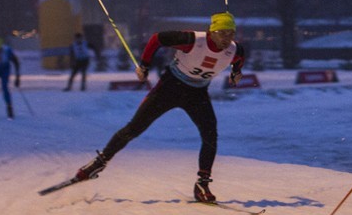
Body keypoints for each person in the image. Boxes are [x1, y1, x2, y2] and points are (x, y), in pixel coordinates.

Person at [73, 12, 245, 202]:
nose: (227, 39)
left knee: (210, 134)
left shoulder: (235, 50)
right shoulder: (192, 40)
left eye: (231, 34)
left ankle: (202, 184)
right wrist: (145, 65)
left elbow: (238, 60)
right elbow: (157, 39)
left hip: (197, 93)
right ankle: (98, 164)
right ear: (211, 32)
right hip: (170, 87)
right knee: (134, 128)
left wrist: (236, 73)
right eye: (222, 33)